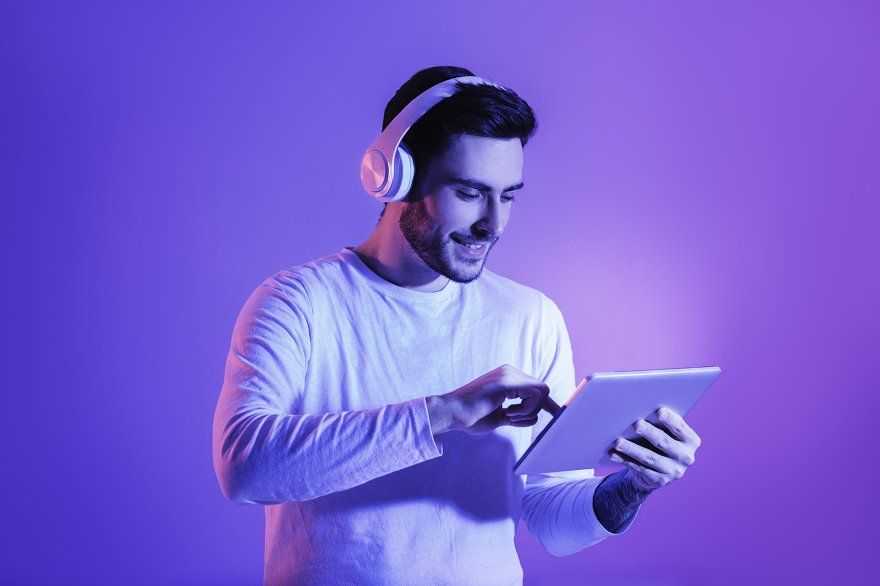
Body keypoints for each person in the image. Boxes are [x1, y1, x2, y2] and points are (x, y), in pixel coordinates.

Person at [212, 65, 703, 586]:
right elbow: (244, 468)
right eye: (469, 193)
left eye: (508, 195)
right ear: (396, 177)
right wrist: (445, 413)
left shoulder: (531, 316)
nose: (493, 224)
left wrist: (634, 486)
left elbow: (553, 521)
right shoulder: (298, 304)